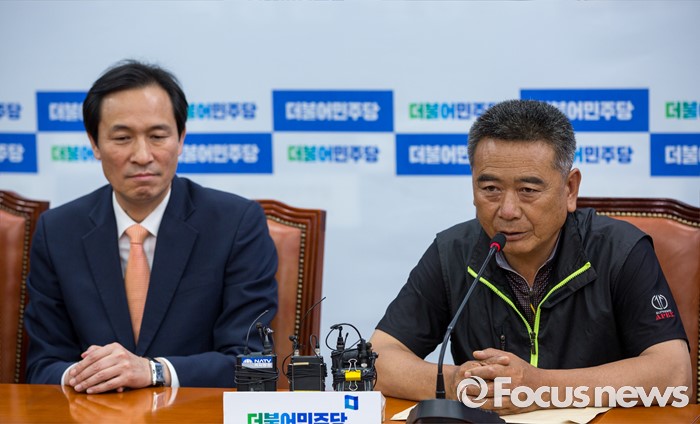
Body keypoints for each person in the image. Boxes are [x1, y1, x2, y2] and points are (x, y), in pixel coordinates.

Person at [370, 99, 691, 414]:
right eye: (491, 189)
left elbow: (675, 375)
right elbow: (378, 360)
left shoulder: (620, 250)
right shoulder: (452, 251)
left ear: (570, 189)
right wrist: (455, 382)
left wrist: (541, 387)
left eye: (528, 190)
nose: (507, 211)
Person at [24, 60, 278, 393]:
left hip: (196, 413)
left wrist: (154, 371)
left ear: (181, 138)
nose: (142, 155)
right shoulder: (58, 231)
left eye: (157, 136)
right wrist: (95, 374)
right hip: (95, 412)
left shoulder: (235, 224)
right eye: (122, 138)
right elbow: (42, 365)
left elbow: (254, 364)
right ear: (94, 143)